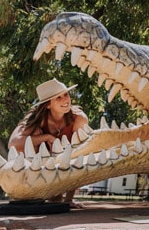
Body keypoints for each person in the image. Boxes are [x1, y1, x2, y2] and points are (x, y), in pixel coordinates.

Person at [8, 78, 89, 209]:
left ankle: (63, 197)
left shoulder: (79, 118)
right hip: (42, 163)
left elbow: (80, 154)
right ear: (47, 105)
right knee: (54, 199)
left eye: (66, 94)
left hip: (66, 161)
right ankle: (30, 191)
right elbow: (13, 143)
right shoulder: (36, 119)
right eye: (58, 97)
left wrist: (69, 200)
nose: (65, 100)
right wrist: (46, 137)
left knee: (57, 201)